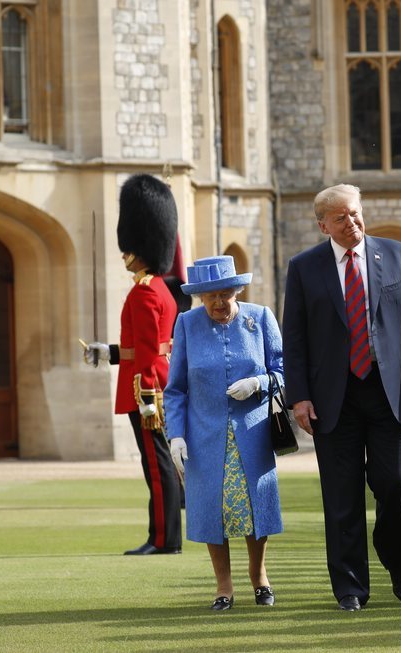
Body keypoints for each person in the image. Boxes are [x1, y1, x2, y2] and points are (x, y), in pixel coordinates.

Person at [282, 184, 401, 611]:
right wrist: (298, 397)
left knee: (393, 486)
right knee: (341, 497)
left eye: (355, 214)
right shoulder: (304, 268)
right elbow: (294, 337)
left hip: (388, 392)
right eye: (340, 219)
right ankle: (351, 588)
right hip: (331, 399)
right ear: (323, 225)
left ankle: (398, 566)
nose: (352, 223)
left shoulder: (397, 254)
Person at [163, 255, 284, 611]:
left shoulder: (260, 318)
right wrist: (176, 435)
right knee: (213, 508)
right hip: (204, 435)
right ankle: (223, 586)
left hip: (253, 432)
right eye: (209, 296)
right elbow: (176, 389)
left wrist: (259, 382)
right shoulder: (186, 324)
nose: (217, 302)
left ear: (236, 289)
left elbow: (284, 370)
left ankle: (259, 577)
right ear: (200, 298)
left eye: (223, 294)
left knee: (253, 506)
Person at [83, 174, 182, 556]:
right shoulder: (159, 289)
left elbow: (145, 351)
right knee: (158, 464)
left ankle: (163, 540)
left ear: (140, 247)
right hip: (154, 384)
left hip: (147, 390)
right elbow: (145, 347)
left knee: (156, 467)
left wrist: (146, 398)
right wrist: (106, 352)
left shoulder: (144, 293)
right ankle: (164, 536)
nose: (125, 254)